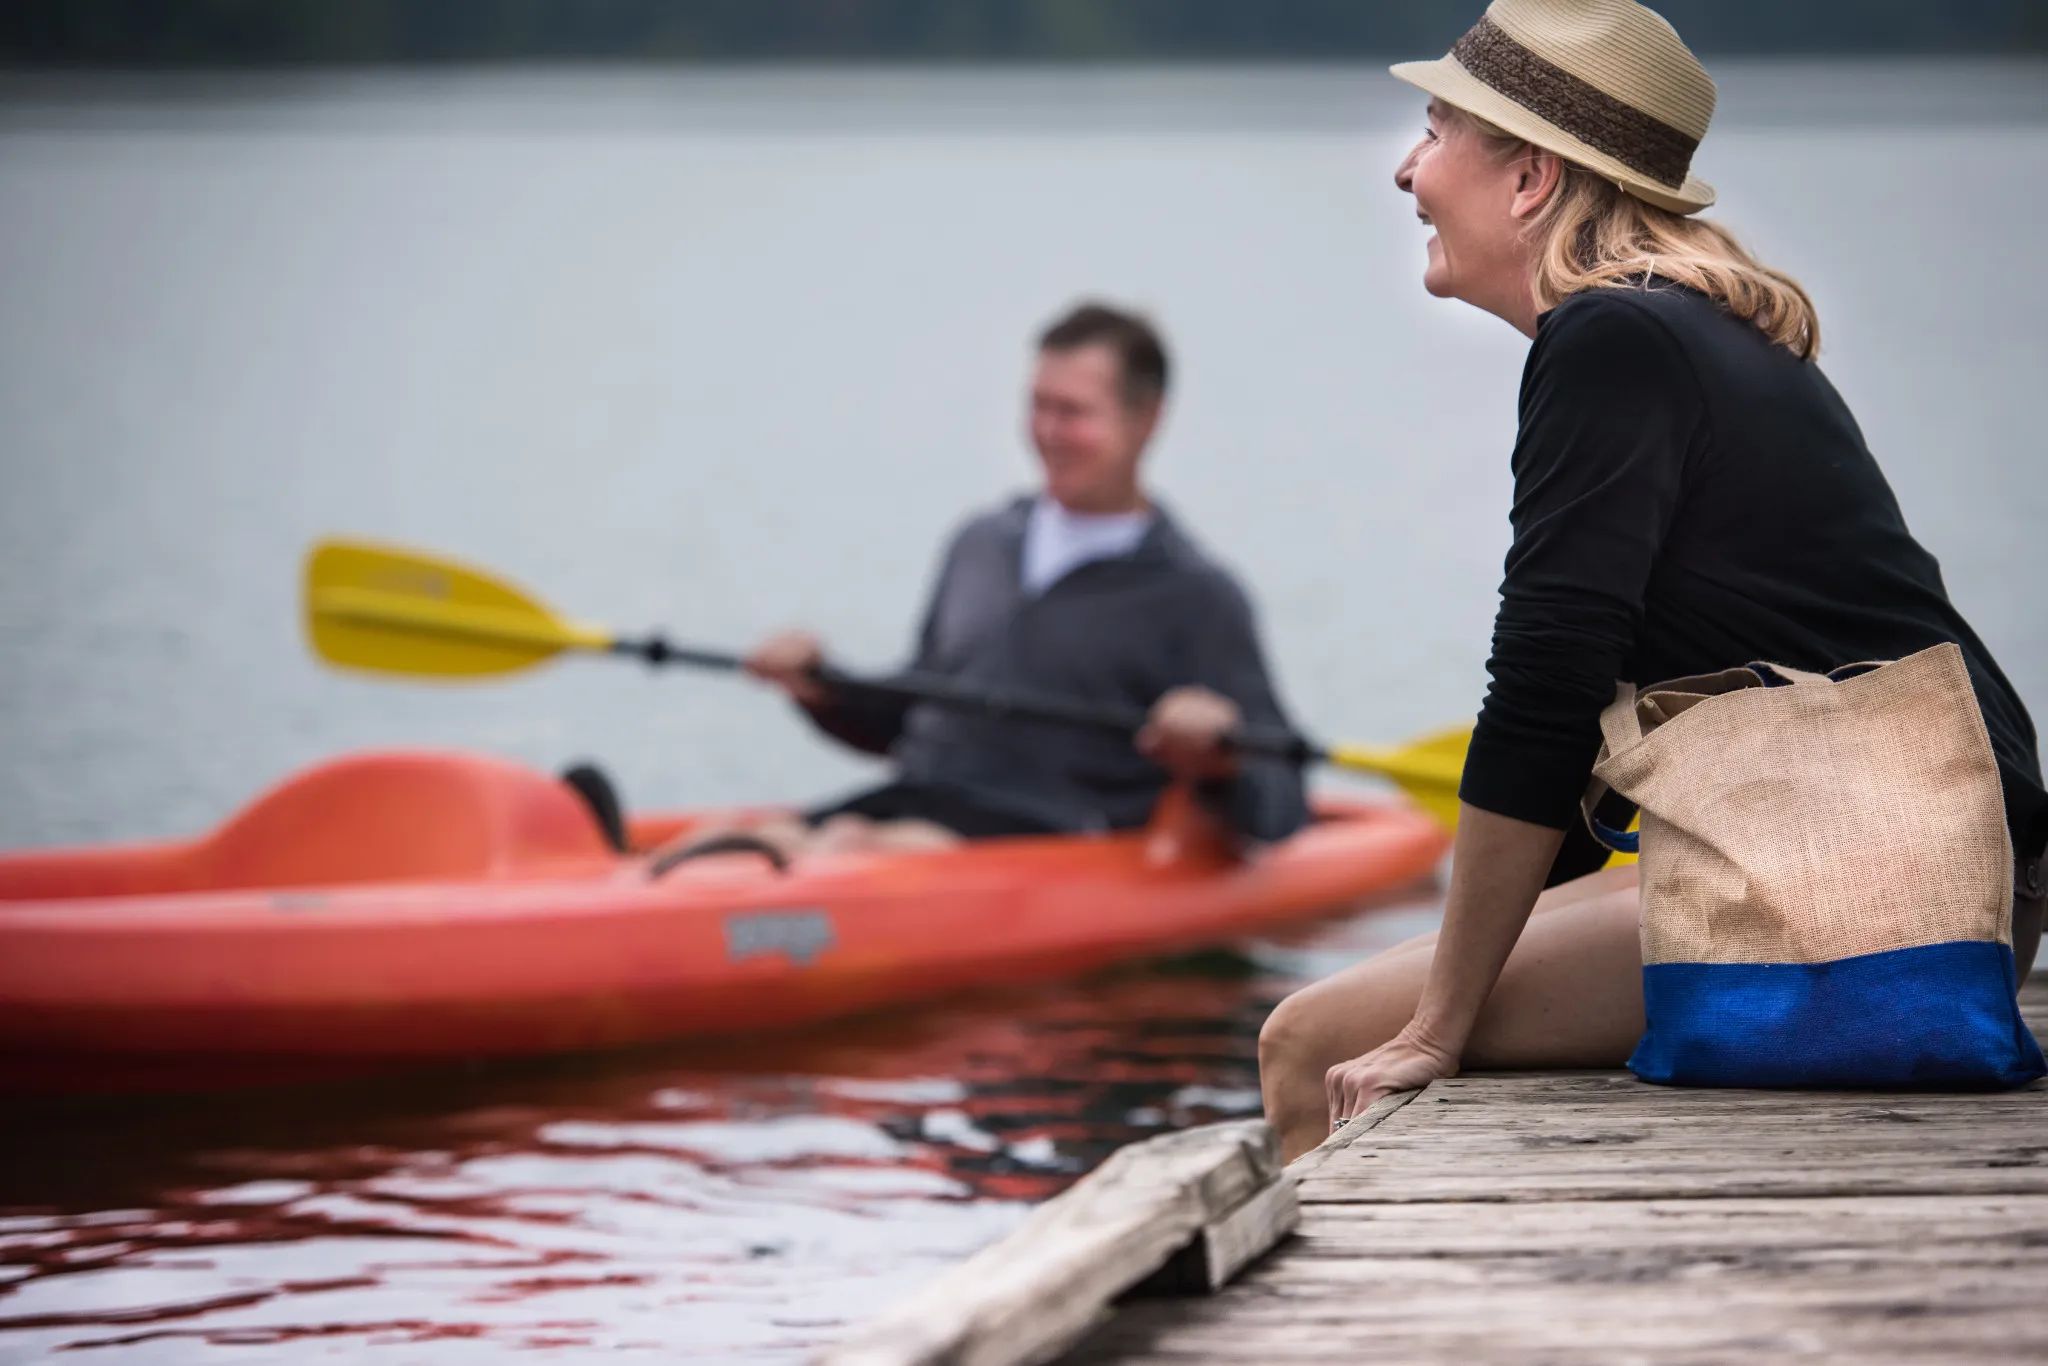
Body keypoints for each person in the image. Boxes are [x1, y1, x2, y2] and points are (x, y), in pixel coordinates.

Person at [1258, 0, 2047, 1162]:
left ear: (1527, 177)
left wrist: (1438, 1025)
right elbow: (1584, 706)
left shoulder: (1608, 345)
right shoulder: (1686, 333)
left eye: (1433, 130)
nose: (1405, 169)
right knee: (1360, 1020)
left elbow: (1538, 684)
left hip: (1880, 885)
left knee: (1305, 1040)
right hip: (1923, 860)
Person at [669, 302, 1309, 866]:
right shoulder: (982, 542)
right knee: (738, 840)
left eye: (1073, 413)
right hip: (922, 797)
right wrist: (821, 685)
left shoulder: (1196, 594)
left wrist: (1220, 758)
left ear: (1147, 421)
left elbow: (1279, 803)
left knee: (852, 847)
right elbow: (914, 713)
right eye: (1038, 406)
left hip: (1058, 829)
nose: (1048, 433)